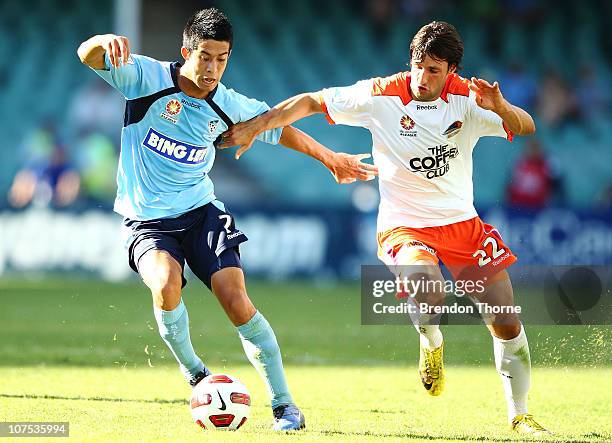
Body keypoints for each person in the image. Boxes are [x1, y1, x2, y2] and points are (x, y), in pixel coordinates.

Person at [220, 21, 550, 436]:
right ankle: (430, 341)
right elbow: (310, 101)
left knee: (506, 320)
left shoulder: (469, 98)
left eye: (434, 70)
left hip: (462, 224)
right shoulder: (381, 94)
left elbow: (526, 126)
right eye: (418, 65)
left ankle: (519, 417)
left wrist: (500, 107)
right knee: (427, 290)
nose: (422, 77)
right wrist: (256, 125)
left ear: (451, 70)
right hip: (404, 225)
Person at [77, 8, 377, 431]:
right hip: (147, 221)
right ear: (186, 52)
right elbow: (85, 55)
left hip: (202, 213)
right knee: (165, 285)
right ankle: (195, 372)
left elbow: (278, 126)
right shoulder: (144, 77)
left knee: (236, 300)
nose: (212, 67)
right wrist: (101, 40)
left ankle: (284, 405)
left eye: (222, 58)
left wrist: (330, 158)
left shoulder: (228, 104)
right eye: (205, 56)